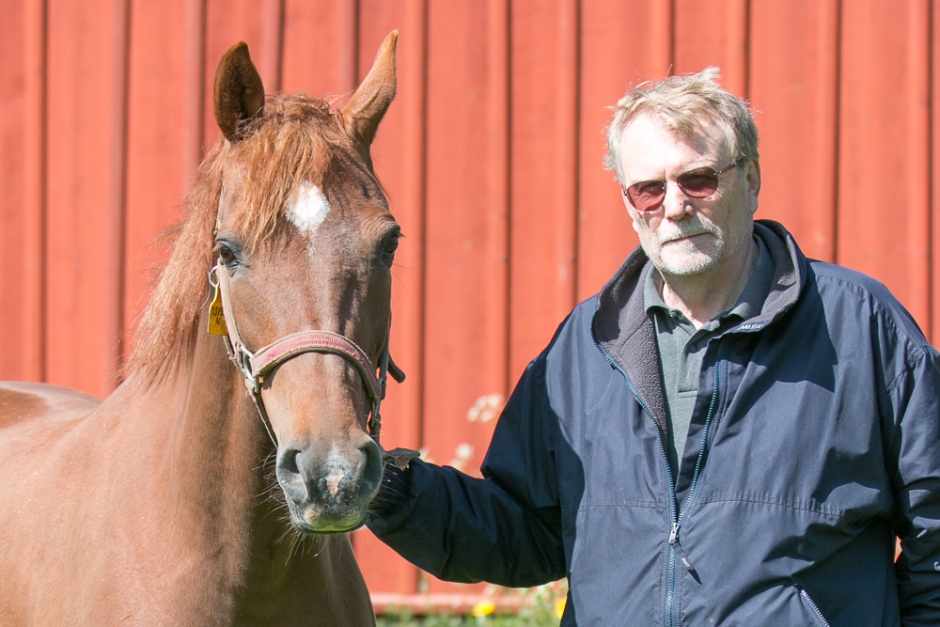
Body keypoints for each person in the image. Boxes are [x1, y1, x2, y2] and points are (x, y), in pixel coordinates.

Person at [366, 68, 940, 626]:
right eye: (648, 189)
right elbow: (526, 532)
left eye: (699, 179)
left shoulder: (860, 327)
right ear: (627, 201)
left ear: (752, 179)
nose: (674, 206)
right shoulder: (586, 346)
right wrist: (387, 489)